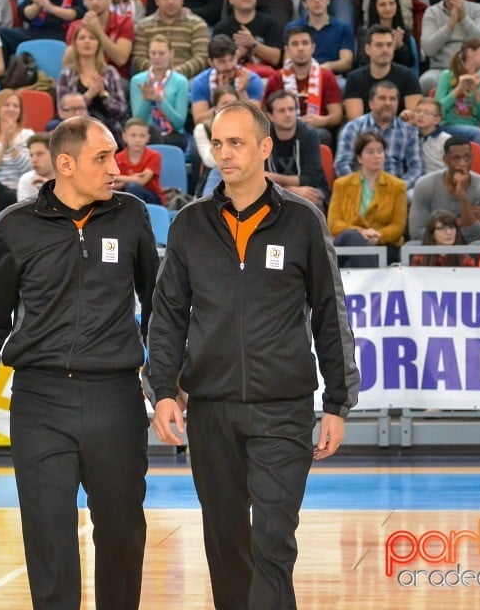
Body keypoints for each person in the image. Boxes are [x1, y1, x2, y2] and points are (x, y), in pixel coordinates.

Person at [146, 100, 359, 610]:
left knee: (273, 539)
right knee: (225, 541)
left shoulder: (303, 221)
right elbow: (168, 315)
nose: (224, 154)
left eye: (236, 143)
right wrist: (162, 391)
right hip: (211, 407)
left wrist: (337, 402)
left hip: (282, 406)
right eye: (217, 144)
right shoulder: (189, 224)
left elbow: (330, 312)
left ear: (265, 147)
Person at [0, 115, 159, 610]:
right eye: (102, 158)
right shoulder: (16, 225)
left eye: (114, 155)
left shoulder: (132, 215)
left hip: (115, 398)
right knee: (48, 534)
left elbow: (159, 304)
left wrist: (162, 378)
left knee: (121, 531)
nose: (115, 168)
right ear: (66, 164)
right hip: (40, 400)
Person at [328, 132, 408, 266]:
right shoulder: (341, 184)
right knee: (351, 236)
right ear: (359, 158)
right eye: (370, 152)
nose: (376, 156)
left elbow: (398, 226)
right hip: (346, 244)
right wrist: (361, 233)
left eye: (380, 151)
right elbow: (334, 223)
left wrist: (378, 236)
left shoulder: (398, 186)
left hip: (383, 245)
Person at [336, 81, 424, 193]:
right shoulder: (353, 127)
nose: (388, 103)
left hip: (396, 189)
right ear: (370, 103)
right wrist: (360, 187)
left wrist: (398, 187)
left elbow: (416, 167)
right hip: (360, 188)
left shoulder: (409, 131)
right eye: (382, 98)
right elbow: (341, 164)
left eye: (392, 99)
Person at [262, 25, 343, 148]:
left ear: (313, 48)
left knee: (320, 135)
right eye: (295, 44)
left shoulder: (326, 76)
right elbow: (265, 114)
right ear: (287, 50)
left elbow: (336, 115)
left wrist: (322, 121)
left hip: (316, 129)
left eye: (305, 43)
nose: (300, 48)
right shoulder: (276, 78)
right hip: (283, 130)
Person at [409, 136, 480, 244]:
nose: (462, 163)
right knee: (411, 246)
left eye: (467, 157)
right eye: (456, 158)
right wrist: (459, 221)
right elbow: (416, 233)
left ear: (472, 158)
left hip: (466, 249)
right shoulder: (425, 185)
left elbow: (477, 237)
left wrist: (463, 197)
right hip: (433, 248)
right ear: (445, 160)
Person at [57, 25, 129, 145]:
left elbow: (122, 110)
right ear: (75, 44)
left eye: (92, 38)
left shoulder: (110, 72)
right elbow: (62, 109)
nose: (87, 41)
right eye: (82, 38)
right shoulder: (67, 74)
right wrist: (88, 96)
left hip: (107, 127)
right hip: (74, 128)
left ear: (98, 44)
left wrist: (103, 95)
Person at [420, 0, 480, 94]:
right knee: (426, 81)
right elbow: (428, 49)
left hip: (470, 69)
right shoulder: (432, 12)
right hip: (439, 69)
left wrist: (463, 18)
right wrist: (450, 25)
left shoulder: (477, 9)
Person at [262, 90, 330, 209]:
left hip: (309, 190)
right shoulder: (263, 138)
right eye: (282, 111)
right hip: (274, 192)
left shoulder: (309, 135)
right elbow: (259, 181)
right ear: (270, 115)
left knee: (312, 199)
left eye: (291, 109)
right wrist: (289, 191)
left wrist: (275, 178)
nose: (288, 114)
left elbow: (312, 178)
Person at [0, 0, 89, 59]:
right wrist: (37, 6)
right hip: (36, 30)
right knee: (0, 33)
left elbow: (79, 13)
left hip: (67, 32)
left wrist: (50, 8)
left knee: (84, 38)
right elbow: (24, 13)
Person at [131, 0, 210, 79]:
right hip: (152, 79)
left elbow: (201, 58)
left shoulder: (198, 24)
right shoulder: (143, 26)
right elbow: (138, 58)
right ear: (156, 0)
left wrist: (174, 74)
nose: (170, 2)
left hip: (187, 81)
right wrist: (158, 71)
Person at [344, 25, 422, 121]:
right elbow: (355, 121)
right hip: (365, 133)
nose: (385, 50)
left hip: (400, 132)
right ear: (367, 49)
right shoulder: (354, 78)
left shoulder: (408, 76)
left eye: (389, 45)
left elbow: (413, 118)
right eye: (379, 45)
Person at [284, 0, 355, 81]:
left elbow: (347, 62)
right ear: (304, 3)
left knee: (343, 85)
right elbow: (287, 60)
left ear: (328, 0)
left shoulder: (343, 28)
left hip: (331, 77)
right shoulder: (293, 28)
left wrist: (327, 66)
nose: (317, 0)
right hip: (300, 76)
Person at [213, 0, 284, 77]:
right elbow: (217, 64)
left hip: (266, 79)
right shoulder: (221, 28)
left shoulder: (271, 23)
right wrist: (237, 54)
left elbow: (275, 59)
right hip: (231, 79)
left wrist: (253, 44)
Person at [129, 35, 189, 149]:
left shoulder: (181, 82)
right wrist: (146, 100)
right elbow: (138, 121)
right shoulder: (137, 81)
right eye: (153, 53)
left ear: (171, 54)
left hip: (173, 135)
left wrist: (160, 100)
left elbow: (179, 123)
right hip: (144, 135)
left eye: (161, 53)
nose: (157, 57)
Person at [435, 36, 480, 151]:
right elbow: (437, 110)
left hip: (472, 127)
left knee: (477, 132)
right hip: (447, 125)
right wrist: (458, 90)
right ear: (471, 52)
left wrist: (477, 91)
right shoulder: (447, 75)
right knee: (477, 133)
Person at [65, 0, 135, 78]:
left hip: (116, 77)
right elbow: (66, 63)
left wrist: (98, 31)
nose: (95, 2)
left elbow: (121, 59)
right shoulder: (75, 25)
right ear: (84, 0)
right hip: (83, 76)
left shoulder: (124, 22)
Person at [190, 34, 263, 126]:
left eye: (232, 59)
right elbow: (198, 120)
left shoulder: (251, 79)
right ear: (211, 62)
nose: (229, 66)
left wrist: (242, 93)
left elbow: (255, 121)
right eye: (222, 62)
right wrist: (222, 97)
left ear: (236, 55)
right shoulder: (200, 82)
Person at [0, 89, 34, 190]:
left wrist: (11, 144)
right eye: (7, 105)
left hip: (23, 190)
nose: (11, 109)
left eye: (15, 106)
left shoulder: (28, 135)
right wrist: (5, 145)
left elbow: (29, 169)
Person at [358, 0, 415, 69]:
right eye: (382, 5)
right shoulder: (364, 32)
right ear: (375, 7)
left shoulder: (402, 31)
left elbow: (409, 64)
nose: (388, 8)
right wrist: (389, 49)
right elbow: (363, 62)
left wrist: (400, 47)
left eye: (392, 4)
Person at [114, 117, 165, 204]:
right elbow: (113, 185)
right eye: (133, 135)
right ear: (124, 137)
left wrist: (118, 178)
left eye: (142, 136)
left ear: (148, 138)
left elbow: (142, 181)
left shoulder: (154, 156)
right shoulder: (118, 157)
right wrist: (133, 178)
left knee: (132, 187)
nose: (137, 140)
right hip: (126, 196)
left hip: (153, 198)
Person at [411, 209, 478, 266]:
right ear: (432, 233)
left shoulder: (466, 260)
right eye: (442, 228)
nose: (449, 232)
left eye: (452, 227)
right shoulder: (420, 259)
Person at [405, 97, 452, 174]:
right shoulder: (410, 136)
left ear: (436, 120)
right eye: (418, 111)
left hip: (436, 179)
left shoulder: (445, 140)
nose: (420, 115)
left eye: (427, 113)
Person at [16, 131, 54, 201]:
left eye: (39, 154)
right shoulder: (26, 180)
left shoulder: (68, 179)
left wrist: (50, 190)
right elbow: (23, 211)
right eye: (31, 155)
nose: (33, 160)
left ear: (53, 154)